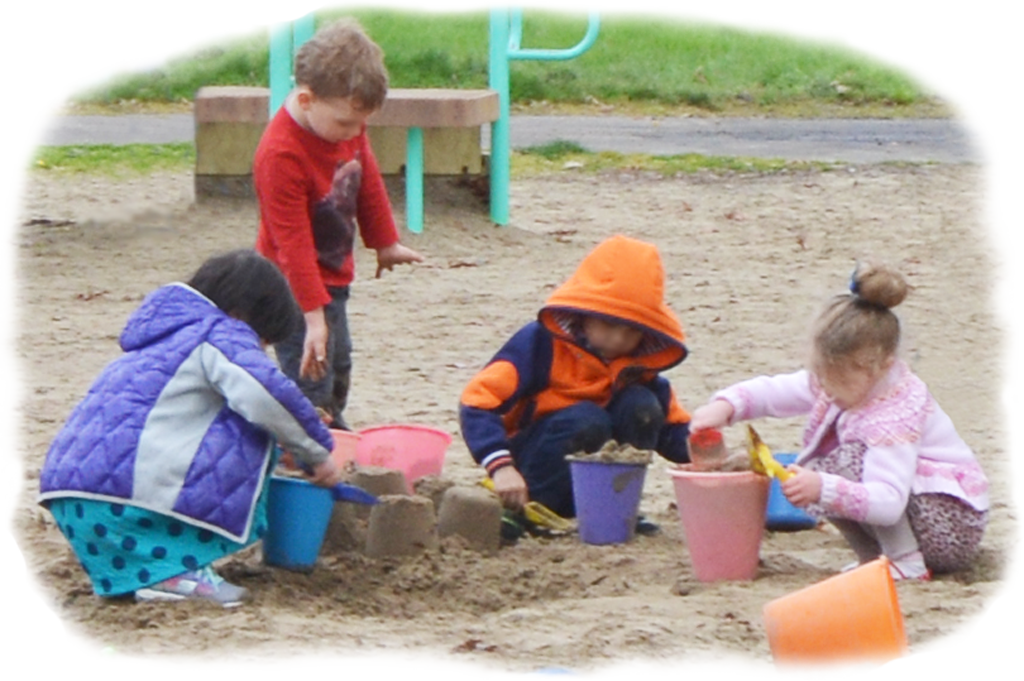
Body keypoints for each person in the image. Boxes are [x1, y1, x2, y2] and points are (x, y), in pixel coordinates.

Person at [38, 250, 344, 607]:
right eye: (262, 341)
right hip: (124, 497)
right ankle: (173, 575)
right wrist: (316, 452)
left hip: (74, 498)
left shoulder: (162, 338)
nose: (259, 350)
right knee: (246, 433)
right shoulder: (218, 334)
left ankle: (139, 575)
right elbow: (266, 395)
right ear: (245, 316)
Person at [690, 262, 990, 580]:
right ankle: (873, 560)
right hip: (920, 513)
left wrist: (824, 488)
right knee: (824, 468)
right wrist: (726, 407)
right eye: (822, 375)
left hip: (950, 524)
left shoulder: (893, 414)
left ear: (881, 367)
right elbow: (775, 392)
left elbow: (888, 501)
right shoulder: (840, 381)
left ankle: (905, 561)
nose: (827, 388)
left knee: (841, 464)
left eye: (839, 379)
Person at [254, 17, 424, 431]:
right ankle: (311, 439)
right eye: (346, 124)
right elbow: (291, 244)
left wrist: (385, 241)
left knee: (340, 359)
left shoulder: (344, 126)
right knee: (310, 370)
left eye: (361, 124)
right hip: (290, 285)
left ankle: (332, 423)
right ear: (307, 99)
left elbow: (364, 179)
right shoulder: (280, 154)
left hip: (333, 276)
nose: (354, 133)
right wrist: (313, 318)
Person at [459, 235, 694, 527]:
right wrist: (501, 467)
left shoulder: (637, 365)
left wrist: (707, 451)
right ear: (583, 315)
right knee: (587, 419)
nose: (619, 340)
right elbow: (477, 403)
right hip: (532, 462)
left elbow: (671, 428)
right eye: (609, 325)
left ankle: (614, 506)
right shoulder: (540, 344)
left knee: (642, 405)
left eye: (632, 332)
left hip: (597, 457)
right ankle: (531, 512)